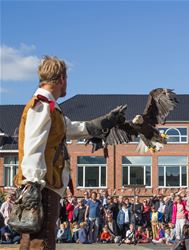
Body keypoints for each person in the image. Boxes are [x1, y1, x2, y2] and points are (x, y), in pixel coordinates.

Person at [15, 56, 126, 250]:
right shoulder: (41, 105)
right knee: (40, 244)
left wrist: (106, 121)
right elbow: (33, 146)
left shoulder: (51, 108)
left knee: (35, 242)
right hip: (43, 187)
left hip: (47, 185)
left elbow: (75, 128)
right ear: (61, 79)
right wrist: (33, 187)